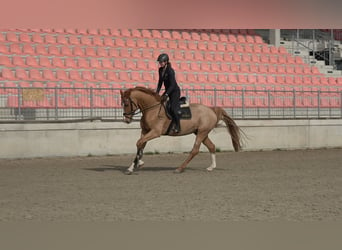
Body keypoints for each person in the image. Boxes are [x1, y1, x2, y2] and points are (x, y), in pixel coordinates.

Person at [156, 53, 181, 133]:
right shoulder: (160, 70)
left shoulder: (170, 71)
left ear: (166, 61)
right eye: (159, 62)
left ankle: (178, 126)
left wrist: (166, 94)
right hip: (168, 91)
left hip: (174, 91)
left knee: (173, 109)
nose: (160, 63)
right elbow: (160, 82)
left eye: (161, 62)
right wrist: (157, 92)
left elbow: (173, 84)